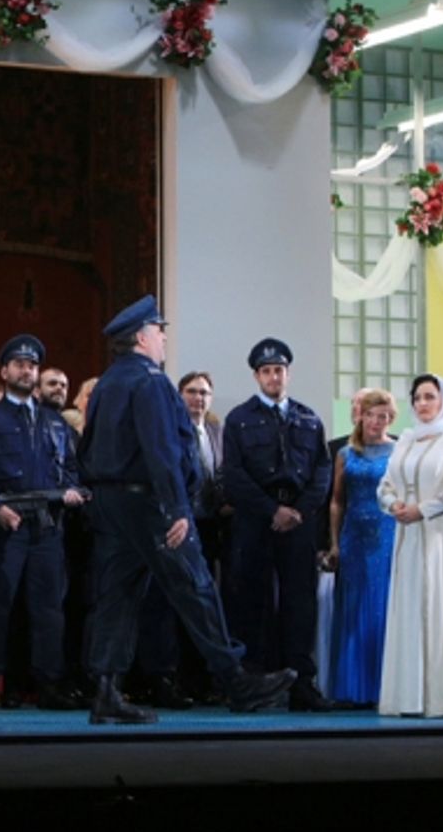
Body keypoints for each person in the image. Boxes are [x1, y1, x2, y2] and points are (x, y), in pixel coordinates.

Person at [77, 296, 296, 724]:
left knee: (116, 597)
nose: (162, 338)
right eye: (159, 331)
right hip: (150, 504)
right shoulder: (151, 382)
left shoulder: (106, 384)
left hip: (112, 503)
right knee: (195, 587)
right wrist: (177, 508)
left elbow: (86, 448)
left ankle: (105, 689)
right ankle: (236, 681)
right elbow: (161, 449)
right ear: (142, 338)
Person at [0, 334, 85, 710]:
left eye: (32, 365)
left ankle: (48, 685)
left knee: (49, 609)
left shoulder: (55, 423)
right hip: (8, 524)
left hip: (48, 525)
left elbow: (70, 468)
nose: (26, 370)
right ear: (4, 371)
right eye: (19, 364)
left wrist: (70, 491)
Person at [223, 337, 333, 711]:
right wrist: (272, 510)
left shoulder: (308, 417)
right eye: (267, 371)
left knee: (300, 603)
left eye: (279, 370)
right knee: (252, 603)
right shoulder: (239, 419)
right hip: (256, 521)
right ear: (256, 376)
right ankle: (255, 682)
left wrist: (299, 511)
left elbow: (322, 470)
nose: (274, 377)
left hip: (299, 521)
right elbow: (234, 475)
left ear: (288, 373)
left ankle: (302, 683)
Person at [377, 375, 443, 718]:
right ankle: (407, 697)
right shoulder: (406, 440)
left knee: (439, 608)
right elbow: (385, 485)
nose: (422, 404)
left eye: (430, 397)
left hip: (440, 537)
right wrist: (394, 506)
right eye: (417, 397)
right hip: (407, 539)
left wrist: (423, 509)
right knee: (408, 610)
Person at [134, 370, 228, 709]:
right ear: (179, 396)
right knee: (165, 605)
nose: (198, 398)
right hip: (174, 527)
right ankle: (164, 679)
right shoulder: (171, 431)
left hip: (210, 527)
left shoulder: (218, 432)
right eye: (191, 392)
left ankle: (202, 680)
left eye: (204, 392)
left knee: (205, 604)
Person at [327, 388, 397, 707]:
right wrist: (334, 543)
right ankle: (351, 688)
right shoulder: (345, 454)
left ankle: (386, 686)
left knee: (383, 607)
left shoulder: (398, 451)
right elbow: (337, 501)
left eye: (384, 416)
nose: (377, 421)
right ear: (361, 417)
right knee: (353, 609)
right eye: (372, 415)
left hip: (387, 535)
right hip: (354, 535)